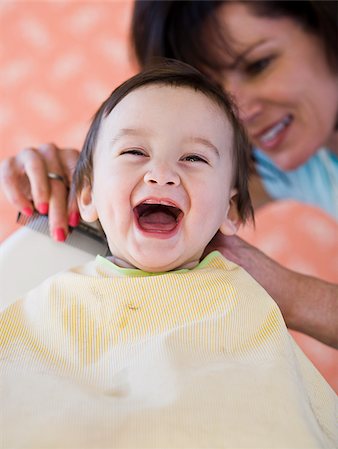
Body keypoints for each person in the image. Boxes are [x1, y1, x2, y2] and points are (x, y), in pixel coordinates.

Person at [1, 61, 336, 449]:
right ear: (88, 195)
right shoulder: (52, 303)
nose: (162, 174)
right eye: (133, 151)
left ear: (229, 211)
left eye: (194, 158)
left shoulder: (248, 308)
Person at [0, 0, 337, 348]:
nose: (243, 111)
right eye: (217, 97)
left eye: (258, 65)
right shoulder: (280, 162)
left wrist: (287, 293)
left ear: (326, 28)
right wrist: (90, 174)